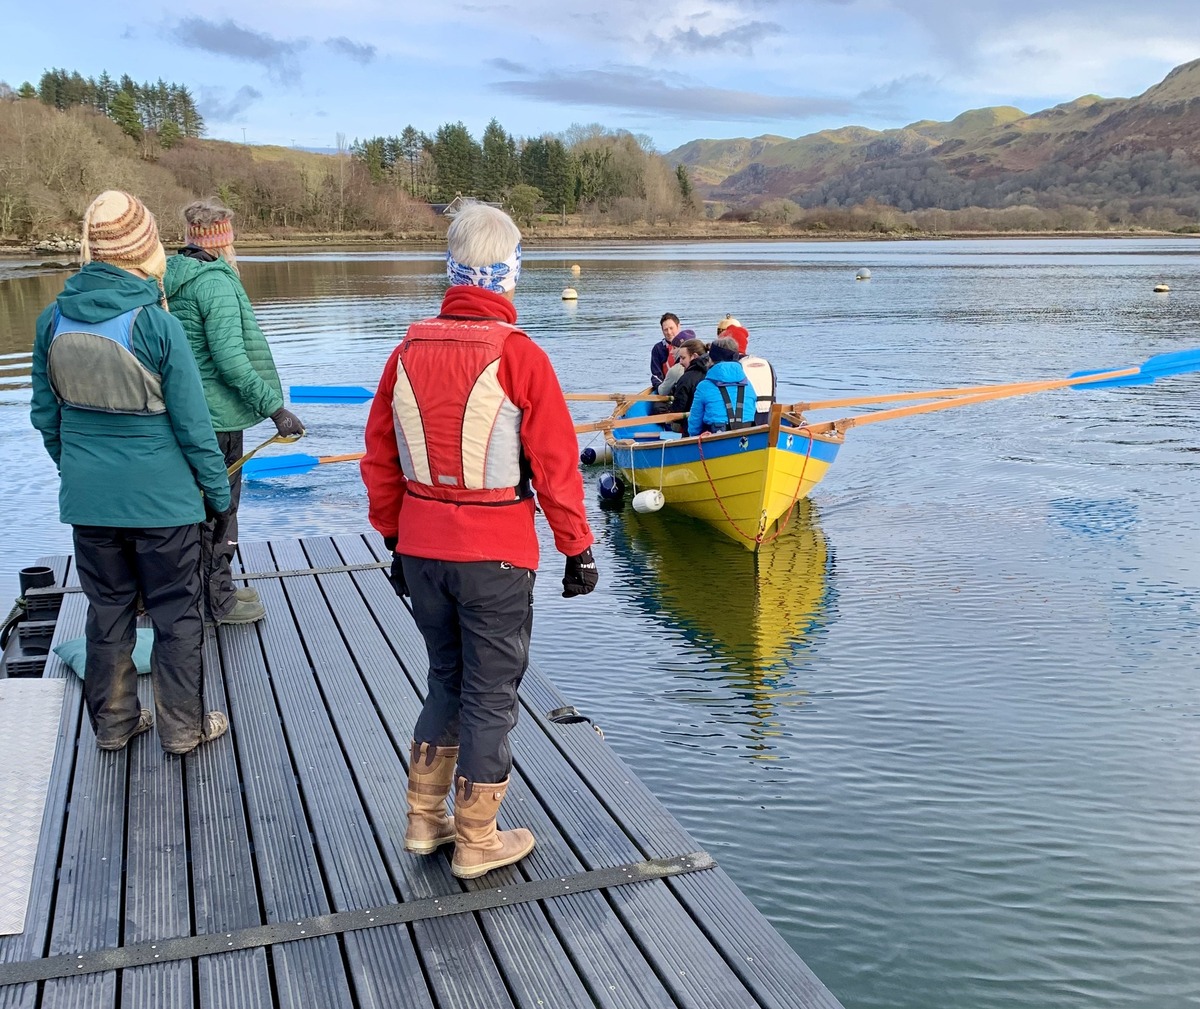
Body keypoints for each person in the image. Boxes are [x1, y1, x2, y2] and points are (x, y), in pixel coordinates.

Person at [361, 204, 597, 880]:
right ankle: (476, 837)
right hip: (494, 554)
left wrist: (395, 538)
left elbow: (378, 459)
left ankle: (421, 818)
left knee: (445, 678)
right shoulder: (520, 356)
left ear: (452, 268)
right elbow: (555, 466)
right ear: (509, 275)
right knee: (491, 693)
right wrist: (576, 548)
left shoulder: (404, 351)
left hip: (422, 549)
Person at [30, 190, 231, 754]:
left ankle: (115, 725)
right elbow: (195, 428)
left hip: (91, 504)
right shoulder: (156, 325)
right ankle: (183, 728)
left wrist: (80, 475)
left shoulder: (52, 321)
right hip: (165, 505)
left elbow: (47, 419)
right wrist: (216, 497)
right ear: (145, 252)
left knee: (108, 612)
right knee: (176, 614)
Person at [163, 198, 305, 625]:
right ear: (225, 239)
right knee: (221, 508)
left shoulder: (168, 275)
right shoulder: (217, 283)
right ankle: (217, 601)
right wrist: (275, 409)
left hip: (184, 412)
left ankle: (196, 592)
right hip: (219, 417)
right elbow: (230, 360)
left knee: (193, 506)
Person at [687, 336, 757, 436]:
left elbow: (694, 425)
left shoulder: (703, 387)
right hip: (746, 440)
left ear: (711, 359)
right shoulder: (748, 385)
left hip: (715, 439)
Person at [657, 337, 709, 430]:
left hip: (691, 427)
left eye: (683, 358)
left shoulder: (686, 379)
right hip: (710, 425)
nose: (680, 362)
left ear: (694, 356)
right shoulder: (713, 372)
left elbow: (677, 412)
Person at [657, 328, 696, 396]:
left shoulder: (676, 370)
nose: (671, 351)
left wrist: (657, 384)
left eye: (674, 348)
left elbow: (662, 392)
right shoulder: (708, 364)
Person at [650, 312, 681, 391]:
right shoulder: (658, 349)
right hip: (666, 390)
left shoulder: (688, 345)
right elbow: (656, 375)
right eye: (665, 330)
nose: (669, 332)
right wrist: (663, 389)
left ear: (678, 327)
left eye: (671, 328)